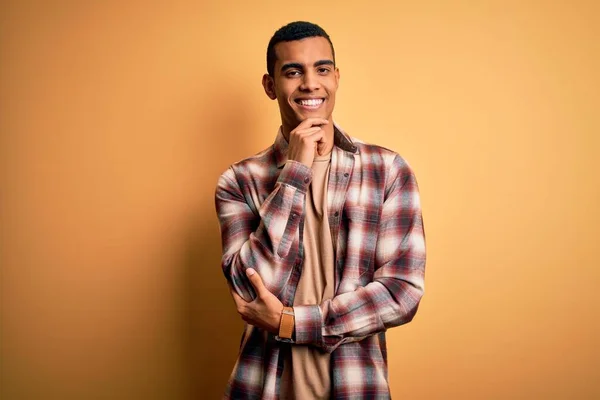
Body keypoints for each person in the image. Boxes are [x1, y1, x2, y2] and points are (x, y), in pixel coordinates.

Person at [214, 21, 426, 399]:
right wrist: (294, 172)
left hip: (357, 386)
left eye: (322, 69)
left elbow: (401, 293)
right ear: (270, 85)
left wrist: (289, 323)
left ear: (336, 78)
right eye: (293, 72)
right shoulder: (239, 181)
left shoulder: (387, 170)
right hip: (264, 387)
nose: (310, 83)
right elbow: (249, 291)